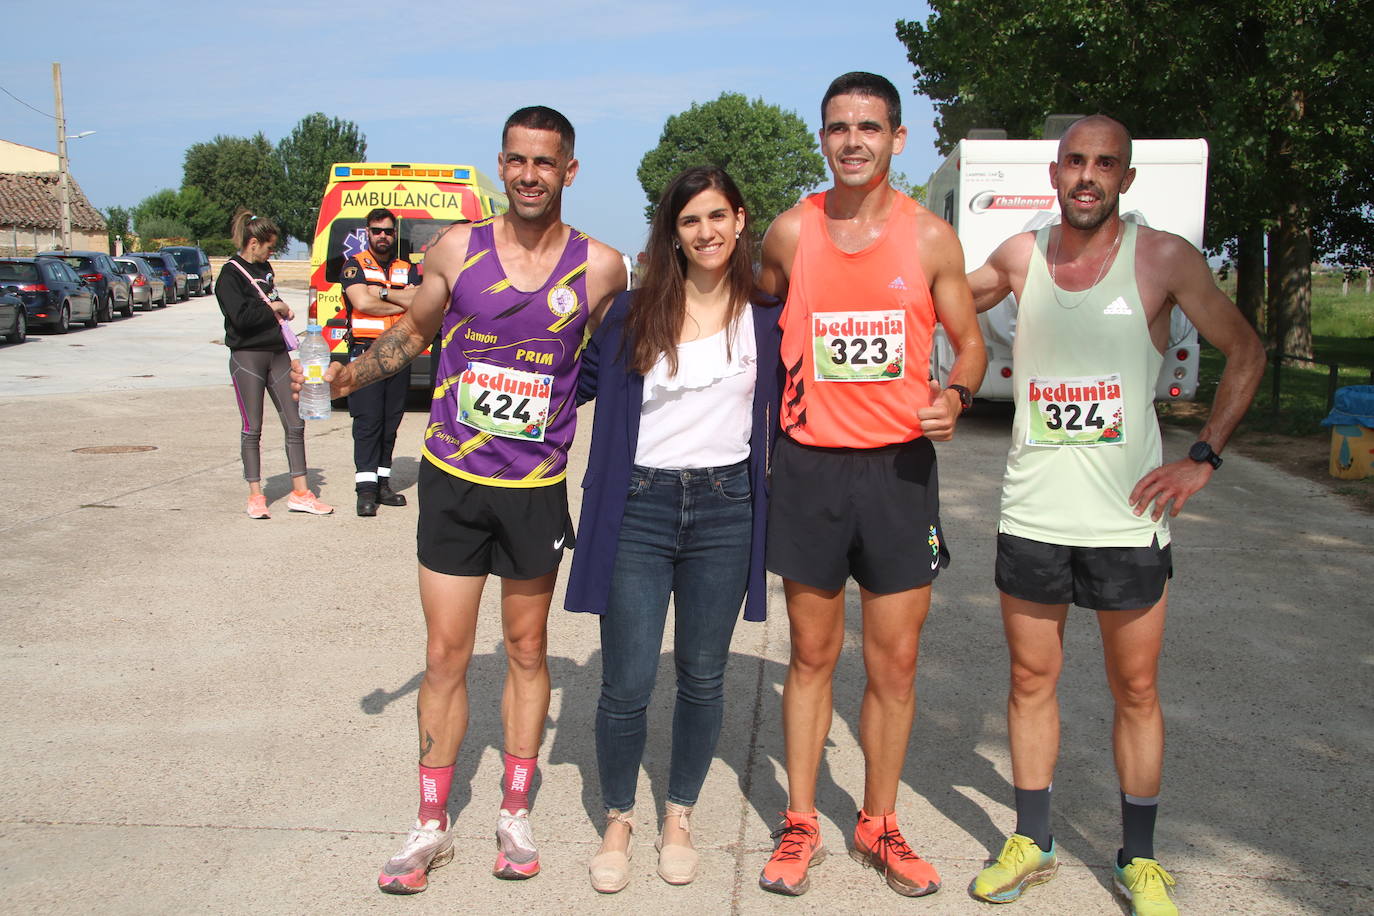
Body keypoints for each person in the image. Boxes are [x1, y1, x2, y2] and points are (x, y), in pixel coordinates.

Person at [297, 106, 626, 894]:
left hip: (535, 491)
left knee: (525, 652)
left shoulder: (602, 268)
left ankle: (514, 813)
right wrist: (344, 378)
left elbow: (630, 361)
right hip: (452, 480)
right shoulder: (456, 248)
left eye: (545, 162)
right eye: (515, 160)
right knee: (445, 655)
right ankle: (430, 824)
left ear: (569, 172)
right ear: (501, 164)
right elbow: (412, 333)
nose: (528, 175)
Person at [965, 115, 1264, 916]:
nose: (1088, 175)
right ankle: (1033, 840)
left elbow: (1246, 349)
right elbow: (940, 302)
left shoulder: (1162, 257)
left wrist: (1202, 456)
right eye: (1075, 162)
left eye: (1106, 163)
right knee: (1032, 680)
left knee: (1135, 689)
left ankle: (1140, 859)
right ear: (1054, 172)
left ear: (1125, 179)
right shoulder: (1020, 256)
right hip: (1034, 511)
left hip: (1129, 518)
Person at [755, 72, 987, 899]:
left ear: (898, 138)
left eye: (869, 126)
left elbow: (970, 344)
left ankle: (879, 820)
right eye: (838, 127)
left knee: (895, 662)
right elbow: (753, 321)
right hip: (812, 470)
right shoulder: (790, 232)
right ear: (823, 138)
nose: (853, 140)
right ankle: (803, 820)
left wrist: (955, 395)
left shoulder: (929, 239)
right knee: (812, 654)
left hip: (898, 472)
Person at [565, 166, 783, 893]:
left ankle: (679, 814)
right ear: (674, 232)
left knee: (701, 674)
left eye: (717, 215)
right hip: (639, 506)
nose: (706, 231)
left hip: (727, 508)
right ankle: (620, 817)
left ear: (741, 219)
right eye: (690, 220)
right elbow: (571, 380)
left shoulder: (768, 316)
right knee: (626, 680)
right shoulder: (631, 312)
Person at [217, 209, 333, 519]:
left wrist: (278, 311)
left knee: (295, 422)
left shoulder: (265, 268)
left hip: (277, 353)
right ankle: (256, 494)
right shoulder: (229, 275)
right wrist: (274, 307)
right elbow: (240, 319)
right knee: (252, 427)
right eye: (269, 247)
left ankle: (301, 491)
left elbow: (266, 304)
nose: (272, 253)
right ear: (253, 243)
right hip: (247, 356)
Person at [340, 207, 421, 516]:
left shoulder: (407, 268)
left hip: (399, 352)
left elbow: (420, 301)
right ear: (368, 233)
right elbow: (361, 302)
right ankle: (365, 490)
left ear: (394, 232)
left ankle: (383, 484)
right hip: (366, 353)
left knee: (391, 422)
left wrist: (383, 293)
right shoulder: (354, 265)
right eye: (377, 231)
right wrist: (401, 300)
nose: (383, 236)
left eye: (388, 230)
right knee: (368, 421)